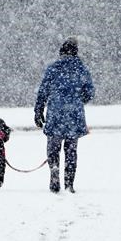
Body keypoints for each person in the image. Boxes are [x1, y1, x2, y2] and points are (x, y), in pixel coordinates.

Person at [34, 37, 94, 193]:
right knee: (71, 149)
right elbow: (89, 92)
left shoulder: (53, 68)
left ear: (61, 52)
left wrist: (39, 110)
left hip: (55, 112)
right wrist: (78, 100)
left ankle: (54, 168)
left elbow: (43, 91)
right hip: (74, 113)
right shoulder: (82, 69)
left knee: (53, 146)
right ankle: (69, 182)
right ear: (76, 53)